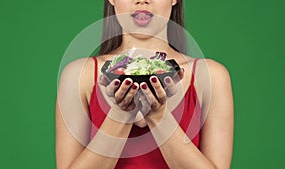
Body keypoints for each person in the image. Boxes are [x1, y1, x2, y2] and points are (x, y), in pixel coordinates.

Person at [56, 0, 234, 168]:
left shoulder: (211, 76)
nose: (142, 0)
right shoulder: (78, 75)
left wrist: (158, 115)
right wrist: (122, 113)